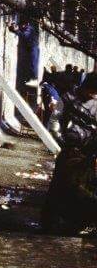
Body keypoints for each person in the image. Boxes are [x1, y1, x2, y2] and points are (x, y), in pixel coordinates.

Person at [42, 72, 97, 233]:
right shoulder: (66, 98)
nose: (92, 95)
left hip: (88, 152)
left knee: (82, 188)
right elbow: (54, 120)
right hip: (68, 149)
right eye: (92, 91)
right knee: (59, 183)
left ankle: (75, 222)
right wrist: (59, 139)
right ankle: (49, 221)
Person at [9, 17, 40, 87]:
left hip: (33, 47)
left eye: (23, 25)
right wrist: (12, 28)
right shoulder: (24, 27)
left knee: (33, 64)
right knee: (28, 64)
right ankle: (30, 79)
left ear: (27, 24)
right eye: (21, 25)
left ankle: (34, 79)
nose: (22, 26)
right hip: (29, 48)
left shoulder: (29, 29)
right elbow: (18, 32)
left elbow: (25, 35)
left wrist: (16, 30)